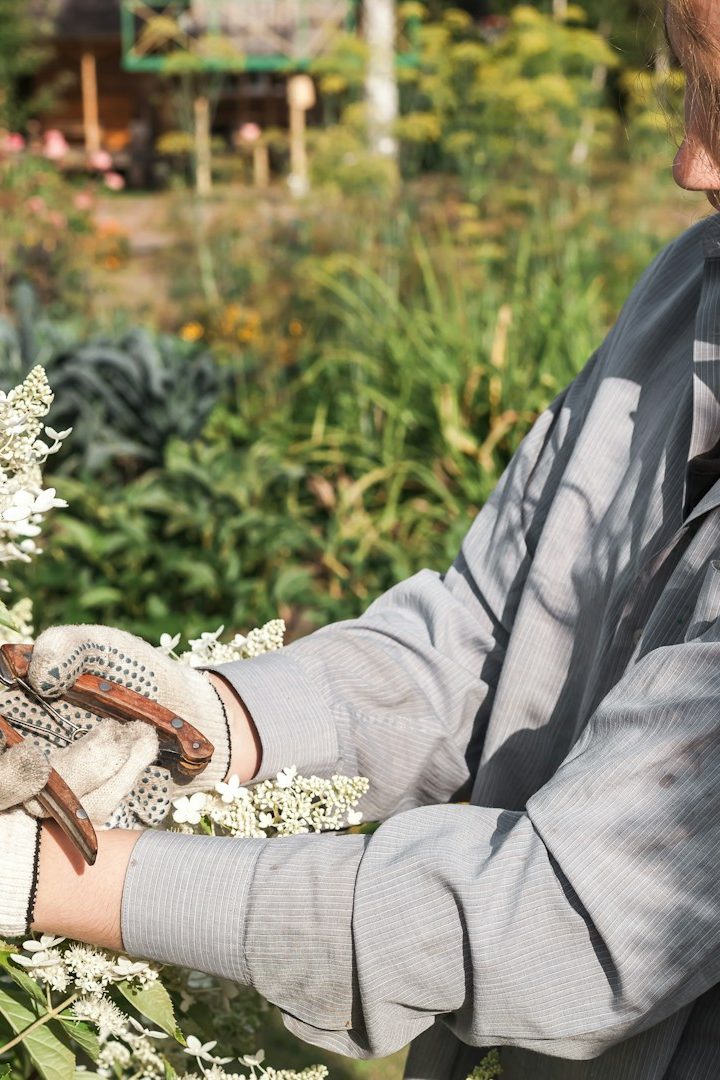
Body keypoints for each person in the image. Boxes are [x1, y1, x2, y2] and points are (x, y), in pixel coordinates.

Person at [2, 1, 720, 1076]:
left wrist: (43, 877)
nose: (691, 160)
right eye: (688, 83)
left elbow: (563, 926)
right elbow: (481, 640)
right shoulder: (688, 288)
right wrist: (209, 723)